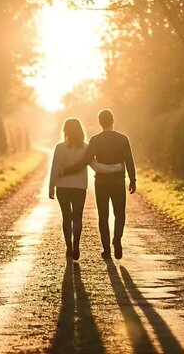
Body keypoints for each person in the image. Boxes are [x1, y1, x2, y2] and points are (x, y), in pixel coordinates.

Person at [62, 109, 136, 260]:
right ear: (112, 120)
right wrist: (133, 179)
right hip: (118, 181)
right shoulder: (123, 139)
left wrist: (71, 168)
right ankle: (117, 239)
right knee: (119, 214)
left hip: (101, 182)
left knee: (103, 216)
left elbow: (86, 160)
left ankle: (106, 249)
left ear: (100, 122)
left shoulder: (95, 140)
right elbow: (129, 160)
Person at [49, 118, 123, 261]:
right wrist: (117, 167)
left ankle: (69, 246)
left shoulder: (59, 147)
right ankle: (76, 245)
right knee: (77, 217)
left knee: (66, 218)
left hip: (62, 187)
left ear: (65, 131)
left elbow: (54, 168)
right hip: (79, 188)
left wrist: (51, 186)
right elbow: (96, 167)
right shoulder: (85, 148)